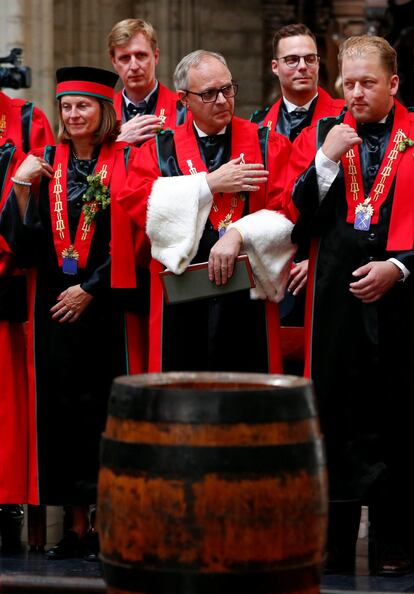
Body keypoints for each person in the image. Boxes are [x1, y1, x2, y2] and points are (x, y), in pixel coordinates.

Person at [0, 66, 146, 561]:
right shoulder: (44, 162)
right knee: (61, 415)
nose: (72, 114)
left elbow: (132, 237)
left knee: (103, 413)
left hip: (104, 306)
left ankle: (108, 524)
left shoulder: (125, 158)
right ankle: (76, 528)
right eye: (65, 106)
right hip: (52, 311)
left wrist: (89, 287)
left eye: (83, 105)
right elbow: (24, 245)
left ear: (103, 110)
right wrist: (20, 192)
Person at [289, 35, 414, 575]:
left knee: (398, 416)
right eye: (349, 83)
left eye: (368, 83)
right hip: (335, 299)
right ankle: (335, 541)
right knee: (336, 412)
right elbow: (297, 217)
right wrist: (325, 161)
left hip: (403, 301)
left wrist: (400, 268)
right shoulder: (322, 134)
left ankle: (396, 540)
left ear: (393, 84)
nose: (356, 93)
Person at [116, 50, 295, 373]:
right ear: (184, 99)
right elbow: (137, 204)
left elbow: (287, 211)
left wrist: (240, 233)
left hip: (247, 292)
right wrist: (207, 184)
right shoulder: (160, 149)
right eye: (209, 93)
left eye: (227, 89)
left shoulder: (267, 144)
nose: (223, 100)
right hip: (182, 292)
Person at [252, 24, 345, 359]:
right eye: (291, 59)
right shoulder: (257, 125)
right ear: (275, 66)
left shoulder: (346, 119)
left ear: (320, 63)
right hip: (271, 267)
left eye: (310, 59)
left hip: (327, 263)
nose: (302, 67)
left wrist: (317, 260)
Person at [0, 90, 54, 553]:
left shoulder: (25, 119)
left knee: (8, 402)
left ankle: (7, 501)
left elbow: (40, 204)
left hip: (7, 275)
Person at [108, 18, 186, 145]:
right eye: (125, 58)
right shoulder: (103, 114)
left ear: (155, 57)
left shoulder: (183, 109)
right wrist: (118, 142)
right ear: (114, 62)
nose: (134, 66)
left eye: (141, 55)